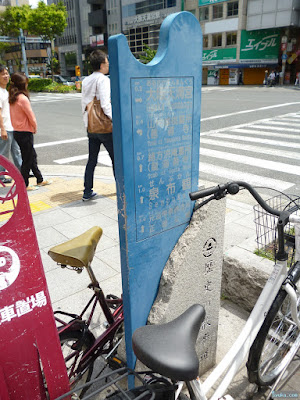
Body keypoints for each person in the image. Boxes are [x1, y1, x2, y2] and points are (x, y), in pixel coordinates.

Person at [8, 72, 50, 191]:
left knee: (31, 155)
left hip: (17, 131)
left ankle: (39, 178)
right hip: (25, 132)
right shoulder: (22, 98)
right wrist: (34, 127)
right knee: (28, 159)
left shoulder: (12, 98)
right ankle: (24, 184)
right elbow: (31, 116)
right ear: (22, 85)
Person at [81, 50, 113, 202]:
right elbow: (106, 104)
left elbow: (85, 104)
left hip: (91, 126)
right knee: (116, 159)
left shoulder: (86, 80)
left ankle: (87, 191)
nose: (108, 64)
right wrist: (114, 120)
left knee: (91, 160)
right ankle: (121, 188)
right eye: (107, 62)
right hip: (105, 128)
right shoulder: (103, 80)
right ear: (101, 65)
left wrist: (87, 123)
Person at [0, 64, 22, 183]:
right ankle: (1, 176)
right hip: (5, 128)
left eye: (7, 73)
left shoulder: (5, 91)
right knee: (3, 153)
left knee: (16, 150)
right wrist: (2, 129)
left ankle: (22, 172)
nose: (6, 76)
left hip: (11, 127)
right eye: (3, 74)